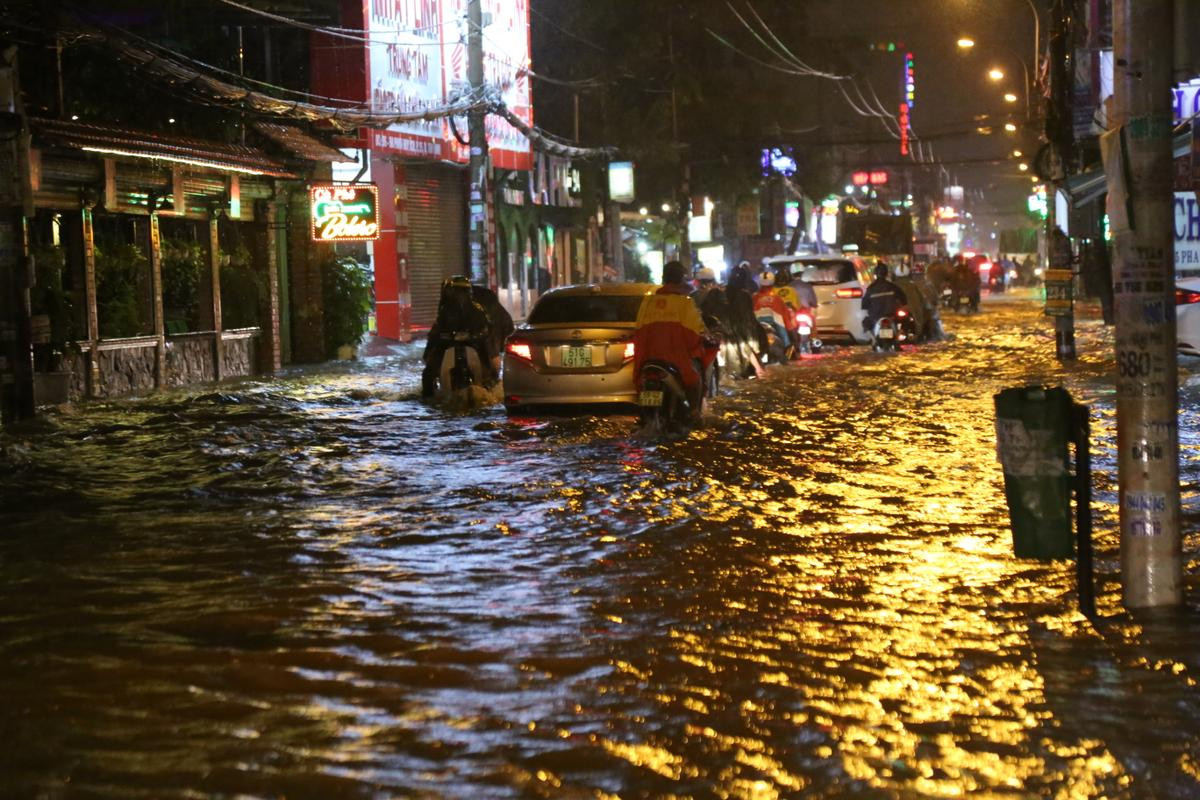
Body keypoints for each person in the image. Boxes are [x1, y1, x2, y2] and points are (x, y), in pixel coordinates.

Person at [633, 260, 713, 421]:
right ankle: (694, 413)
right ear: (681, 279)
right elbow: (695, 335)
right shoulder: (684, 302)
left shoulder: (648, 302)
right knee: (694, 380)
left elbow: (638, 331)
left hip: (647, 359)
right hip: (676, 359)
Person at [422, 276, 496, 398]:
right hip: (448, 343)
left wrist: (479, 334)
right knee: (429, 371)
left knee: (488, 363)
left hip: (473, 343)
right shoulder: (445, 310)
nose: (460, 295)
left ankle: (490, 387)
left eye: (463, 291)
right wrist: (439, 339)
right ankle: (428, 396)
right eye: (457, 291)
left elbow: (487, 326)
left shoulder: (477, 309)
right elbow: (438, 328)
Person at [725, 262, 766, 378]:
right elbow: (748, 318)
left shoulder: (725, 292)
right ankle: (759, 370)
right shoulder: (744, 295)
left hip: (730, 330)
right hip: (741, 331)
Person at [861, 261, 908, 337]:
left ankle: (873, 339)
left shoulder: (871, 289)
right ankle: (902, 335)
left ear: (875, 274)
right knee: (905, 319)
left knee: (866, 323)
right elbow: (903, 299)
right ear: (886, 274)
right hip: (891, 315)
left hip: (876, 316)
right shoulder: (893, 286)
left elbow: (864, 304)